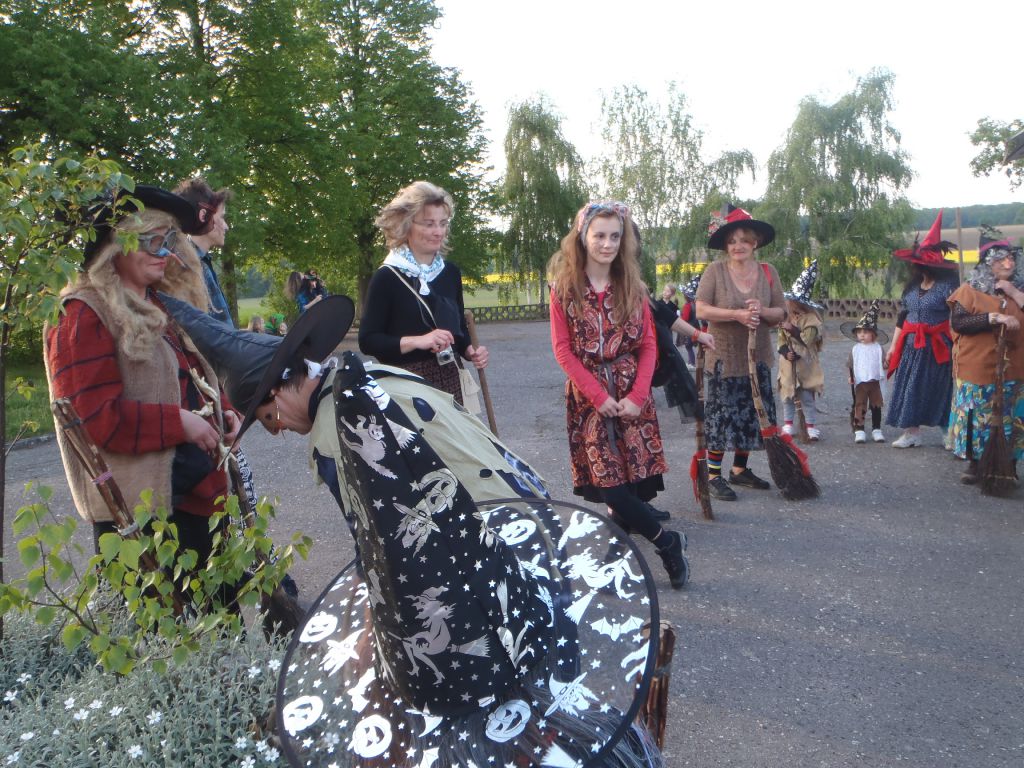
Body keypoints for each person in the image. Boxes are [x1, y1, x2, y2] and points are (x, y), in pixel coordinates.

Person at [161, 294, 664, 767]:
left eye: (267, 417)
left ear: (276, 392)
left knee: (502, 711)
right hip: (529, 526)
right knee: (550, 685)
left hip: (486, 563)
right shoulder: (367, 376)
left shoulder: (340, 430)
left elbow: (386, 548)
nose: (276, 430)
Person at [43, 185, 240, 590]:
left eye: (168, 241)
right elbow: (95, 420)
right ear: (117, 246)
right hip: (142, 520)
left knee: (220, 617)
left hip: (197, 499)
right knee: (161, 624)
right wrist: (181, 423)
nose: (163, 252)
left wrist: (224, 409)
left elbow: (188, 370)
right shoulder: (80, 314)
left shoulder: (158, 301)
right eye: (151, 241)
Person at [548, 200, 688, 589]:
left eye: (614, 236)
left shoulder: (632, 287)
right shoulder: (564, 290)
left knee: (628, 482)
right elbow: (563, 350)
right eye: (599, 236)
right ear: (582, 237)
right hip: (589, 398)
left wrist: (639, 395)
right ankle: (667, 543)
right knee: (610, 485)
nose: (607, 244)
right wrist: (596, 395)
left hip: (630, 394)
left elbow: (648, 345)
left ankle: (615, 560)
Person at [358, 181, 487, 405]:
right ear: (407, 225)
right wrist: (419, 341)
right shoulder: (387, 277)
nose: (438, 232)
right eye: (429, 224)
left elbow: (458, 329)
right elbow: (369, 340)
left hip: (451, 384)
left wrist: (469, 350)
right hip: (407, 388)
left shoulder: (450, 273)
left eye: (443, 223)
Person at [695, 205, 786, 501]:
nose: (738, 246)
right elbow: (701, 309)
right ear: (725, 246)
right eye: (732, 241)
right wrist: (736, 314)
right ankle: (713, 476)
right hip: (724, 358)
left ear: (754, 243)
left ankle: (739, 470)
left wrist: (763, 311)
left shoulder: (768, 272)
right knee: (721, 417)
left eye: (744, 240)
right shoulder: (715, 271)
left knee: (751, 414)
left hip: (757, 358)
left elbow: (781, 312)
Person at [946, 230, 1024, 483]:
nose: (1009, 264)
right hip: (977, 367)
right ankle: (976, 463)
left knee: (1012, 417)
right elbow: (959, 322)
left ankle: (1008, 466)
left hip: (1016, 367)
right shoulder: (970, 290)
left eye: (1011, 259)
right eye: (1002, 259)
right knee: (977, 417)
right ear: (988, 263)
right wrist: (994, 317)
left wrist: (1012, 291)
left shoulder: (1019, 290)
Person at [885, 211, 959, 448]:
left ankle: (949, 433)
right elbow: (903, 317)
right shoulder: (912, 286)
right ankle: (912, 433)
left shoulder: (949, 286)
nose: (918, 265)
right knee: (910, 388)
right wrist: (893, 346)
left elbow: (958, 317)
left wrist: (958, 346)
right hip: (911, 347)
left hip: (937, 347)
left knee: (940, 388)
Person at [173, 177, 234, 326]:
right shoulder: (191, 267)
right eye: (222, 217)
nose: (226, 227)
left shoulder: (201, 262)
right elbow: (215, 334)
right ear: (203, 216)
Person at [777, 259, 826, 441]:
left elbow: (808, 340)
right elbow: (781, 340)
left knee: (806, 395)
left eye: (792, 300)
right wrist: (785, 352)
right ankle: (788, 423)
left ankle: (810, 426)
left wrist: (794, 330)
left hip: (805, 362)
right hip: (788, 364)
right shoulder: (787, 317)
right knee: (787, 395)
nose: (788, 303)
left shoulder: (812, 320)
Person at [841, 301, 889, 443]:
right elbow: (850, 364)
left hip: (875, 382)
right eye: (859, 332)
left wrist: (886, 364)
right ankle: (859, 429)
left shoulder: (878, 348)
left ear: (873, 334)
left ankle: (876, 429)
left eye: (866, 332)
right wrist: (850, 377)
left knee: (876, 405)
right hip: (860, 382)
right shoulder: (856, 349)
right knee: (860, 405)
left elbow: (884, 362)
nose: (862, 335)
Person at [679, 272, 705, 364]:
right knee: (698, 347)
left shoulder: (687, 306)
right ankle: (695, 362)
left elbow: (684, 319)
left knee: (688, 346)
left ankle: (691, 362)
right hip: (698, 327)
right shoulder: (696, 304)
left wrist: (679, 317)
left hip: (689, 328)